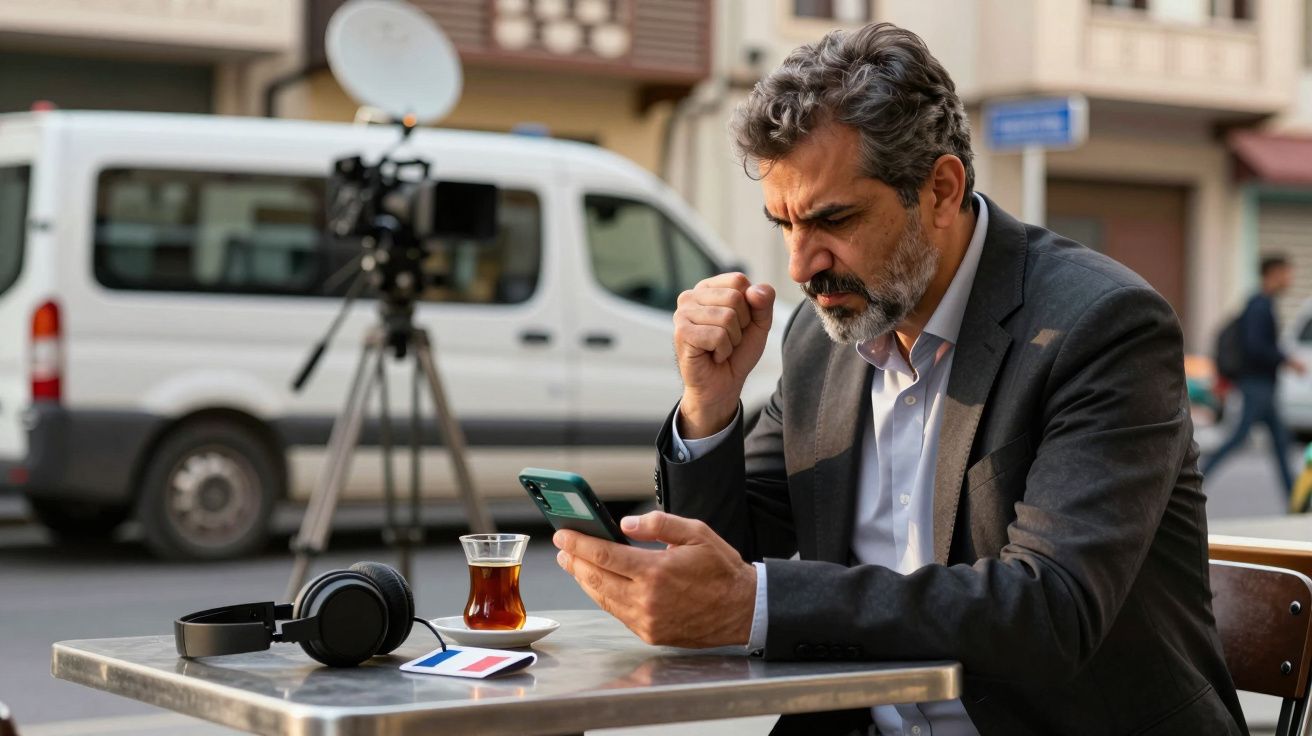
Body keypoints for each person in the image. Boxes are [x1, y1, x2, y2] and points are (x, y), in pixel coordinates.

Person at [552, 22, 1244, 735]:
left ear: (940, 190)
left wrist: (760, 603)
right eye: (784, 224)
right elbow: (728, 556)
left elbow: (1049, 609)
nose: (800, 265)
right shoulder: (821, 337)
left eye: (833, 220)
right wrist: (709, 403)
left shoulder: (1100, 326)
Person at [1203, 254, 1306, 498]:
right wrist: (1285, 359)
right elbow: (1255, 347)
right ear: (1273, 273)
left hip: (1262, 385)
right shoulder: (1259, 306)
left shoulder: (1263, 303)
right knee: (1239, 438)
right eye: (1286, 273)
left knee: (1280, 442)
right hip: (1256, 385)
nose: (1289, 279)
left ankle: (1295, 498)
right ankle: (1193, 478)